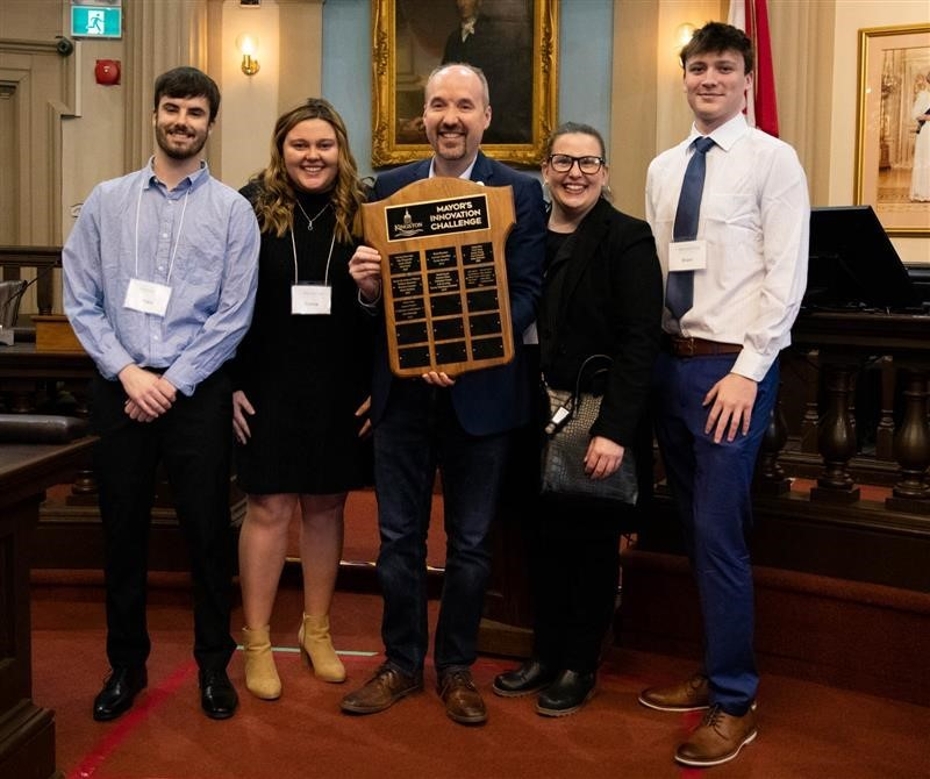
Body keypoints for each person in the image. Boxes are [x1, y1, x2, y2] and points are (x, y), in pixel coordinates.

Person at [341, 63, 546, 725]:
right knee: (398, 540)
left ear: (486, 116)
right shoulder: (389, 188)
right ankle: (401, 661)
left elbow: (526, 290)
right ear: (421, 118)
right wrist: (368, 288)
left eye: (464, 105)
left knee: (471, 544)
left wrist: (459, 348)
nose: (450, 117)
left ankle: (455, 665)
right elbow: (374, 302)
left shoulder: (520, 192)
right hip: (403, 400)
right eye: (437, 105)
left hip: (481, 396)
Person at [62, 66, 260, 721]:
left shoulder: (233, 211)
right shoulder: (106, 200)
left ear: (210, 122)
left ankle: (212, 666)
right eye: (172, 108)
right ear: (155, 114)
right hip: (121, 392)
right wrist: (128, 372)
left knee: (207, 536)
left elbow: (233, 314)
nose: (182, 121)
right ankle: (126, 664)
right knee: (122, 534)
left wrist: (171, 381)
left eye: (195, 112)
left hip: (196, 395)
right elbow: (81, 297)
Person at [639, 22, 809, 767]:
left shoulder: (775, 161)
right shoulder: (663, 166)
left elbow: (786, 274)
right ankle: (713, 667)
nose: (709, 78)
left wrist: (750, 368)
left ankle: (735, 698)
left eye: (724, 68)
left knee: (718, 531)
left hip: (732, 370)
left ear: (746, 80)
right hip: (673, 364)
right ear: (685, 77)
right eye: (698, 67)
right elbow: (657, 266)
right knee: (690, 527)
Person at [491, 123, 663, 716]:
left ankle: (578, 664)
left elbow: (642, 342)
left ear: (605, 172)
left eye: (588, 164)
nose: (575, 174)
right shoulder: (527, 232)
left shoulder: (627, 238)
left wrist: (614, 430)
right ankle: (545, 652)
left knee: (588, 544)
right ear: (545, 170)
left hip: (594, 413)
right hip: (528, 410)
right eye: (563, 162)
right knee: (539, 539)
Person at [229, 99, 373, 700]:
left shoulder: (364, 213)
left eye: (324, 145)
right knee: (268, 508)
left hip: (339, 381)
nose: (312, 156)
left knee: (326, 506)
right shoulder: (245, 207)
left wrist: (376, 385)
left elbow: (381, 308)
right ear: (280, 149)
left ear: (340, 150)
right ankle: (258, 640)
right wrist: (229, 381)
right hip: (265, 380)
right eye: (299, 145)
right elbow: (223, 300)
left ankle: (317, 630)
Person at [441, 0, 532, 144]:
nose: (462, 4)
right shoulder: (453, 39)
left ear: (479, 2)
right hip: (456, 118)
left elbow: (502, 83)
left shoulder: (496, 36)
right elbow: (443, 82)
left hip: (493, 121)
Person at [909, 71, 930, 202]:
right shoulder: (923, 95)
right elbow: (915, 114)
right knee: (925, 160)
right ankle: (922, 192)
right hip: (926, 132)